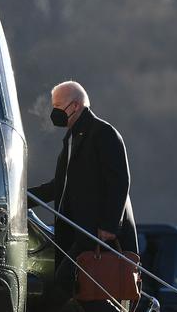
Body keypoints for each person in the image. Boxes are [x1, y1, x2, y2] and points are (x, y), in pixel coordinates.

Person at [29, 81, 138, 312]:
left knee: (75, 284)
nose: (53, 111)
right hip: (82, 234)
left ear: (75, 106)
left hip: (99, 235)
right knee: (77, 287)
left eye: (58, 105)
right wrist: (22, 197)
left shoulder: (103, 133)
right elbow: (58, 186)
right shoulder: (73, 138)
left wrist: (109, 225)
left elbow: (120, 181)